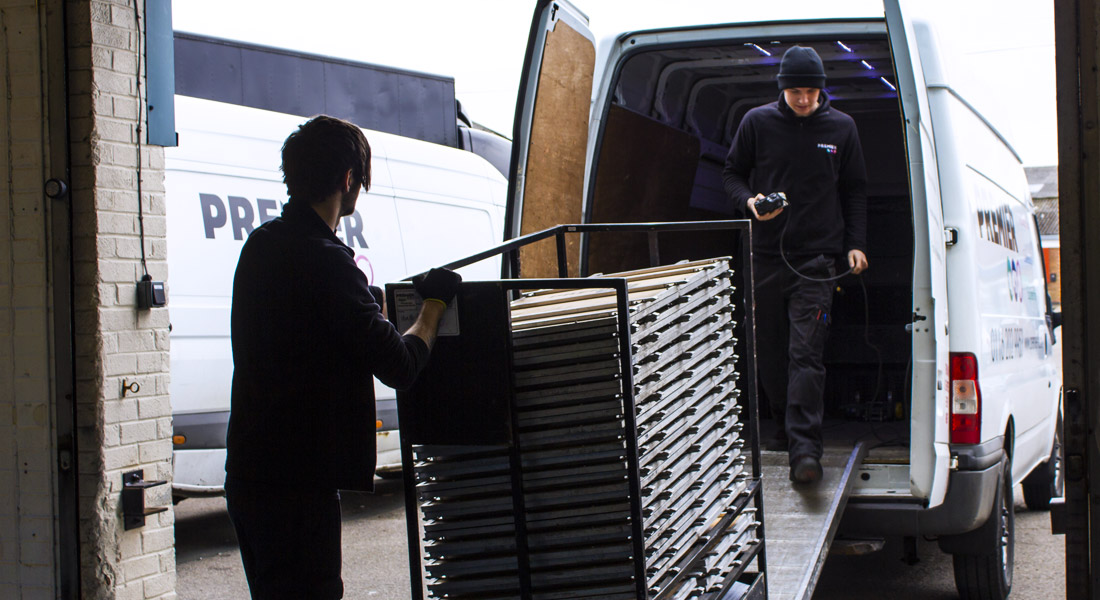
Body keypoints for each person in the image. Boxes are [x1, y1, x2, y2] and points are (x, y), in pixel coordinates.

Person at [224, 115, 462, 599]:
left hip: (250, 472)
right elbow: (400, 364)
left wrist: (364, 303)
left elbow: (302, 330)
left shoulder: (263, 244)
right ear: (349, 180)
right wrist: (434, 304)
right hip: (298, 485)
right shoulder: (328, 260)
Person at [722, 45, 868, 484]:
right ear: (781, 89)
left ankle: (806, 451)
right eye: (795, 92)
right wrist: (749, 202)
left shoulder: (842, 128)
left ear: (822, 90)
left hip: (819, 261)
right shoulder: (757, 122)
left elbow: (856, 190)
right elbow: (731, 174)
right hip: (765, 257)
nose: (804, 100)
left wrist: (855, 244)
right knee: (770, 352)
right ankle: (786, 429)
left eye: (811, 92)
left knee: (806, 353)